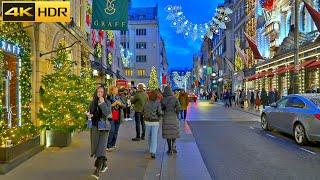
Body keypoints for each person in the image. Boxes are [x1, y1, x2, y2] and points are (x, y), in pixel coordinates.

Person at [88, 86, 112, 179]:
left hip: (104, 127)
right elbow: (89, 113)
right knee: (96, 147)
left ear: (104, 94)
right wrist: (88, 116)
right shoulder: (92, 103)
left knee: (101, 148)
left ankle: (97, 170)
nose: (100, 93)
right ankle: (104, 164)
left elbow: (107, 113)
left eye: (102, 92)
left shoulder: (107, 102)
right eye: (98, 92)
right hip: (94, 127)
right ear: (96, 92)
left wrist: (102, 104)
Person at [143, 90, 163, 159]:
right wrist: (159, 117)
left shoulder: (146, 103)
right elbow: (160, 112)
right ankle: (153, 152)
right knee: (154, 137)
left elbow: (144, 111)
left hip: (147, 122)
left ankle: (150, 148)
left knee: (149, 136)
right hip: (155, 122)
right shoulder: (158, 103)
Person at [161, 86, 180, 154]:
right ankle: (174, 146)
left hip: (166, 117)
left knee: (168, 134)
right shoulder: (175, 99)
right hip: (173, 117)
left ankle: (169, 149)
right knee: (173, 132)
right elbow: (178, 108)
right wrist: (176, 114)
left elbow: (161, 108)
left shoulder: (163, 99)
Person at [107, 86, 125, 151]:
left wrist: (120, 104)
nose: (117, 91)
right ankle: (108, 145)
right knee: (112, 131)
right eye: (116, 90)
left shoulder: (119, 97)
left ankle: (113, 144)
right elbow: (107, 107)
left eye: (117, 90)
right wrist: (113, 104)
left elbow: (124, 105)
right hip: (111, 116)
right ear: (112, 91)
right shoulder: (108, 97)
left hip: (118, 116)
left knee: (116, 131)